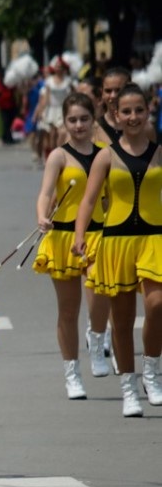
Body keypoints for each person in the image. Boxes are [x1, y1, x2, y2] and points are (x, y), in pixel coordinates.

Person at [74, 84, 162, 418]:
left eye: (139, 110)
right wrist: (79, 235)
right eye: (126, 111)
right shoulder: (105, 156)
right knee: (122, 320)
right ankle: (129, 388)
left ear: (148, 111)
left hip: (155, 239)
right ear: (116, 114)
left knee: (157, 304)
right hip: (117, 242)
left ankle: (151, 371)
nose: (133, 116)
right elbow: (88, 200)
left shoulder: (159, 152)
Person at [32, 93, 106, 402]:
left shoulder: (106, 155)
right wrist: (42, 216)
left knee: (101, 292)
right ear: (64, 122)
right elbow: (45, 193)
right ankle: (72, 373)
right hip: (62, 237)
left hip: (98, 235)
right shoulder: (58, 156)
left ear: (93, 120)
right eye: (72, 120)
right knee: (68, 309)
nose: (78, 125)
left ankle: (97, 339)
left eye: (84, 119)